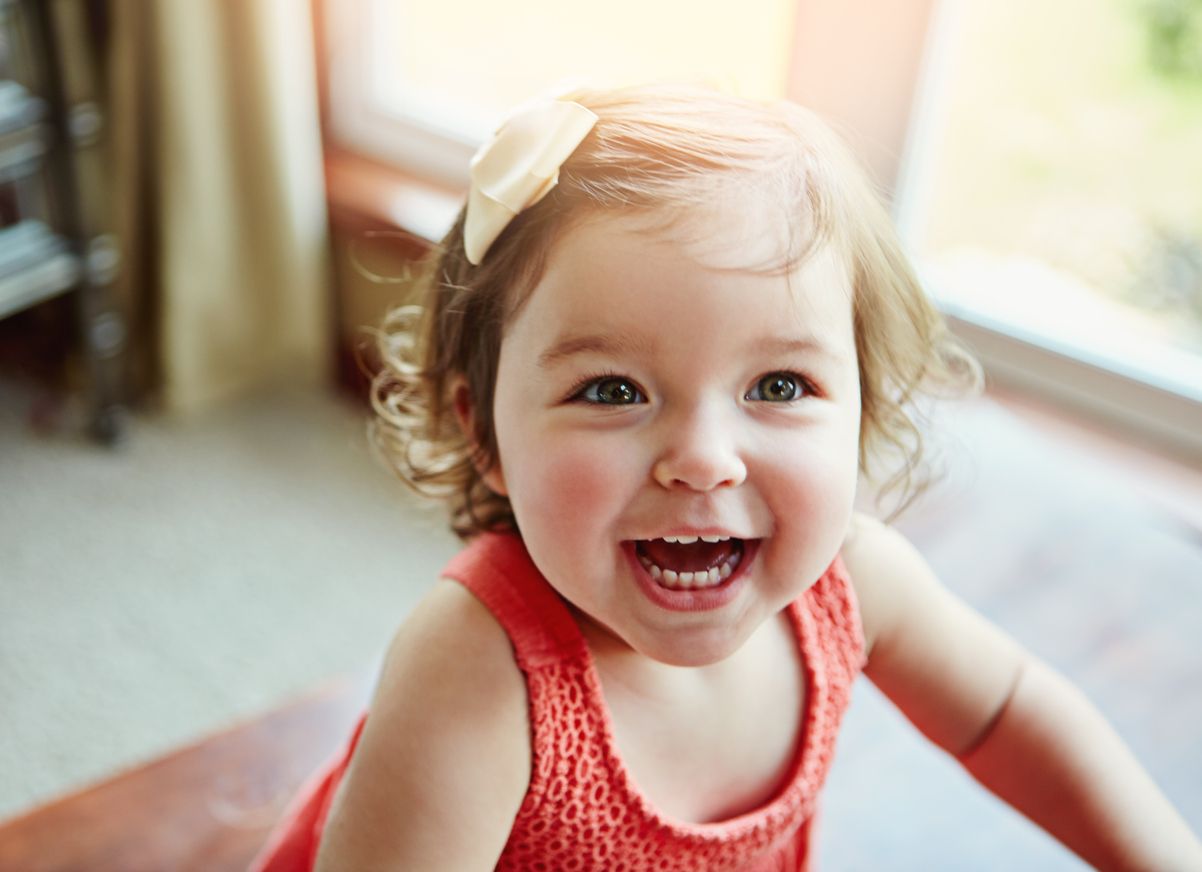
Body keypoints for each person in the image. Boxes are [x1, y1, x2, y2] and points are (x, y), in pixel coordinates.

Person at [252, 85, 1202, 871]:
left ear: (862, 407)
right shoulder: (479, 669)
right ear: (484, 432)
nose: (705, 457)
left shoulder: (853, 583)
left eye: (779, 384)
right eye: (613, 388)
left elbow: (1008, 716)